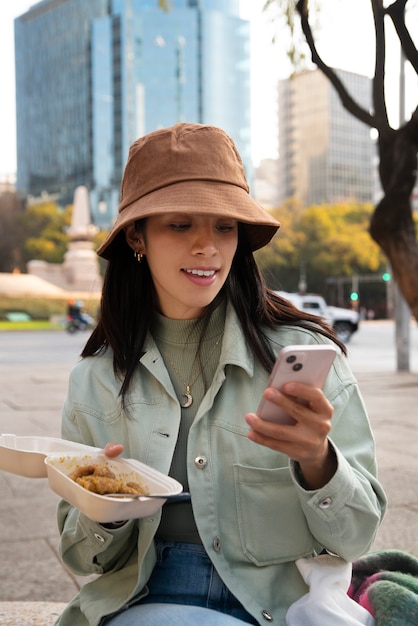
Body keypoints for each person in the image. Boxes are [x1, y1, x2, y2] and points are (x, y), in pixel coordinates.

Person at [55, 123, 386, 626]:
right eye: (181, 225)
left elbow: (357, 536)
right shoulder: (95, 379)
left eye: (225, 226)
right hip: (141, 598)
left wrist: (318, 460)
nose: (208, 246)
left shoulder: (307, 357)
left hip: (276, 603)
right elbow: (82, 558)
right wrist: (109, 505)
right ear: (137, 237)